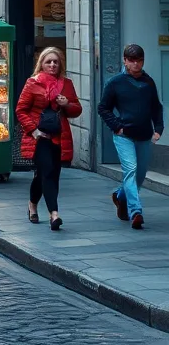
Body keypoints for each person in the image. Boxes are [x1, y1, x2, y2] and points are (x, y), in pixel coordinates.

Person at [98, 43, 164, 229]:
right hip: (124, 135)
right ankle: (135, 211)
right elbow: (103, 108)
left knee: (140, 175)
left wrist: (158, 128)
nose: (136, 64)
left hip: (144, 135)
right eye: (132, 61)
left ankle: (120, 196)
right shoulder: (115, 83)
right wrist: (116, 126)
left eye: (139, 60)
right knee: (131, 170)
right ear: (125, 61)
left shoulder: (148, 82)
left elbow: (156, 107)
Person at [15, 47, 82, 230]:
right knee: (47, 172)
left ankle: (32, 204)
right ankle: (54, 214)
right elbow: (20, 110)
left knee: (49, 175)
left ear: (60, 64)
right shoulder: (33, 83)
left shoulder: (66, 84)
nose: (52, 65)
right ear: (41, 64)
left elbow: (77, 110)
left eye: (56, 62)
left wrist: (66, 104)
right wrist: (33, 130)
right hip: (40, 137)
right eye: (48, 62)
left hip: (59, 136)